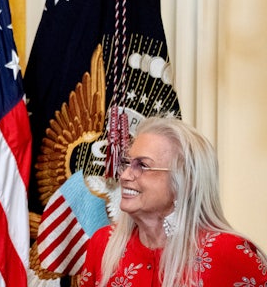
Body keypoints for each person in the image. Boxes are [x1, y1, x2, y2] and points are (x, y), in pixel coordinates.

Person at [79, 117, 267, 287]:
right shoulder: (103, 243)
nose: (125, 175)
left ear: (185, 181)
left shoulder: (229, 252)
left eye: (142, 165)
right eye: (127, 163)